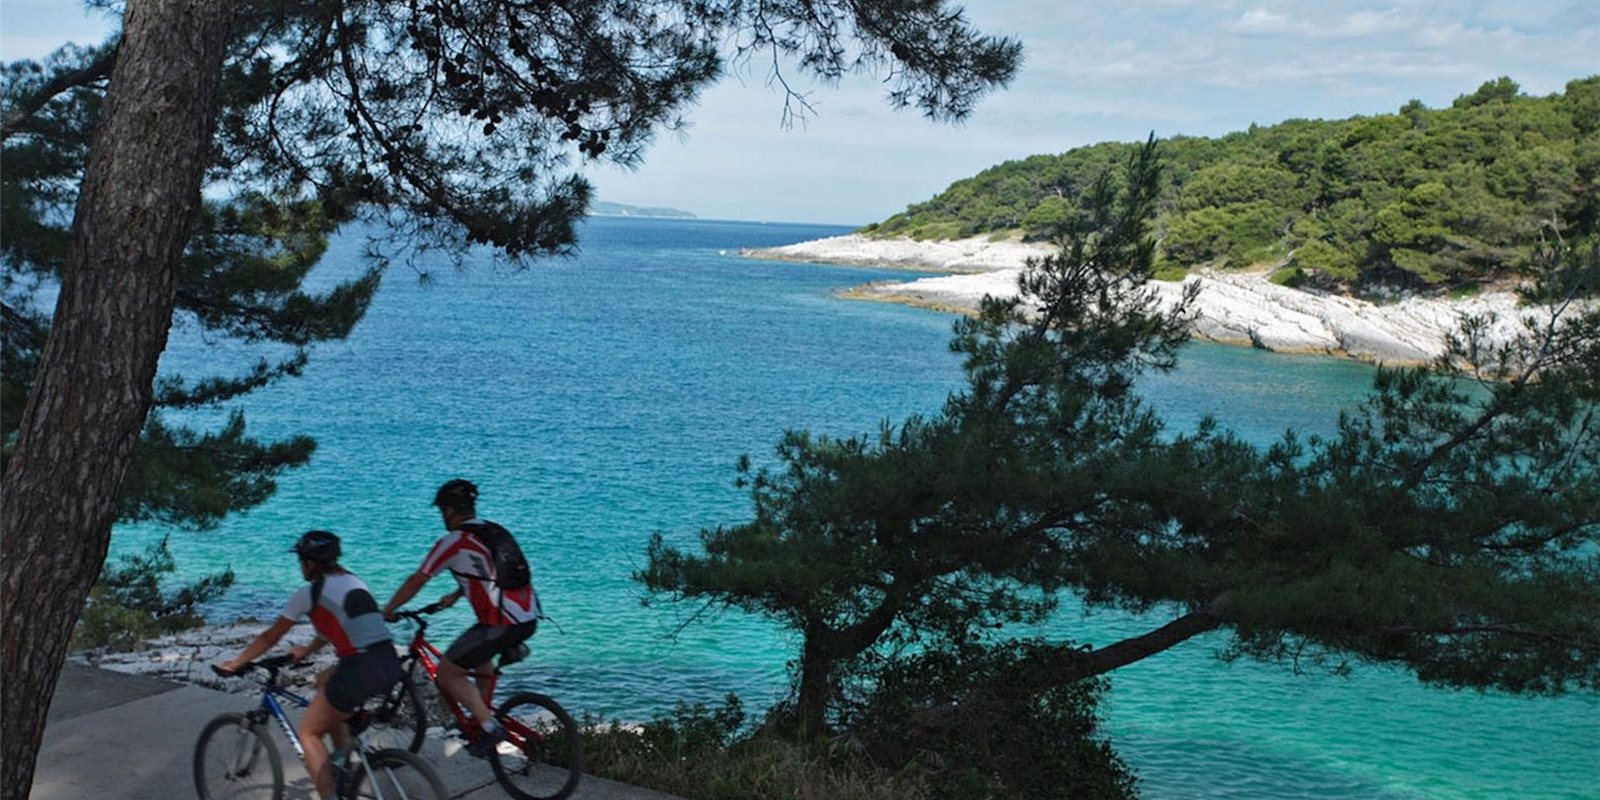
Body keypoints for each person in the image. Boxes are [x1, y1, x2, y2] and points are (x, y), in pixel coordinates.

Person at [218, 531, 401, 800]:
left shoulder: (308, 594)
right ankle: (343, 764)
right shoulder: (356, 581)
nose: (300, 567)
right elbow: (333, 627)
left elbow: (270, 637)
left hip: (358, 668)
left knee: (308, 732)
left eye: (301, 561)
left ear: (310, 563)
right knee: (324, 681)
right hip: (388, 661)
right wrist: (306, 651)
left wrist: (237, 662)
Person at [382, 479, 541, 757]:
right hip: (528, 616)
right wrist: (457, 594)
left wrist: (388, 609)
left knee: (446, 673)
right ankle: (481, 717)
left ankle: (490, 729)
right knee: (480, 659)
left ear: (450, 511)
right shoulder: (491, 530)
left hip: (500, 623)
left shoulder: (453, 542)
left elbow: (417, 579)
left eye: (442, 511)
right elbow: (492, 570)